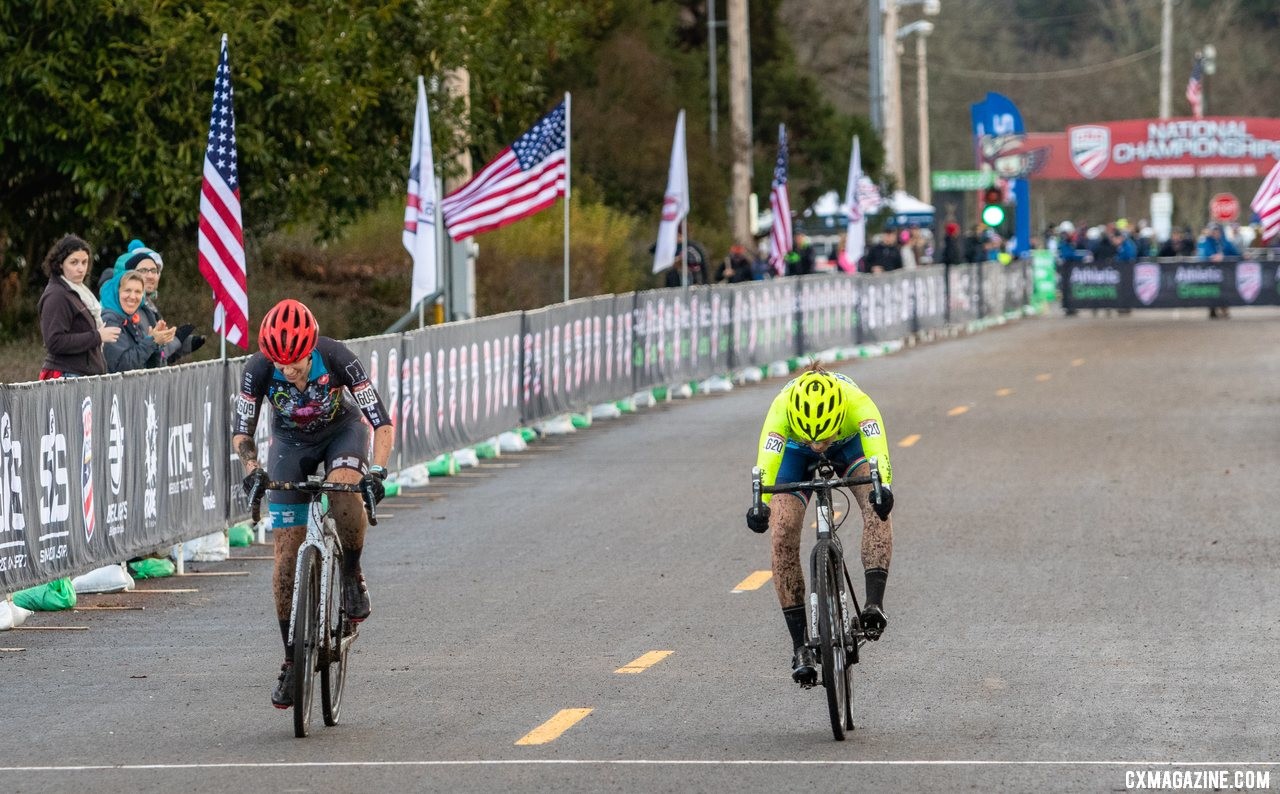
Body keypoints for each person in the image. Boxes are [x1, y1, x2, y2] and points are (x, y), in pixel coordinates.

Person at [233, 299, 394, 709]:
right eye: (280, 364)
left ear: (311, 350)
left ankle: (352, 575)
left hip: (342, 433)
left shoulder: (338, 356)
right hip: (289, 444)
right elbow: (242, 431)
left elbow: (382, 422)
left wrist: (377, 470)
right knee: (286, 554)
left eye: (296, 365)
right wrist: (251, 467)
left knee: (343, 491)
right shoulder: (257, 369)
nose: (287, 372)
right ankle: (291, 661)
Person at [745, 368, 895, 685]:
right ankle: (800, 646)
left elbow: (879, 456)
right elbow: (766, 465)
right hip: (792, 452)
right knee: (782, 534)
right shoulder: (782, 408)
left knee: (874, 503)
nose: (818, 445)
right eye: (812, 437)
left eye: (823, 436)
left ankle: (873, 605)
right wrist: (759, 504)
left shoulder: (858, 404)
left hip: (848, 445)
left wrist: (884, 490)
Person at [101, 240, 204, 363]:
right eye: (143, 271)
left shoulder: (142, 309)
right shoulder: (113, 318)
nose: (150, 276)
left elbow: (151, 360)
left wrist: (172, 342)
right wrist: (172, 340)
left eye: (154, 270)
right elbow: (123, 365)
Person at [37, 234, 117, 379]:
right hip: (67, 375)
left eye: (84, 262)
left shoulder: (78, 292)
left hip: (83, 375)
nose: (81, 268)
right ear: (60, 264)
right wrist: (97, 336)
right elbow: (54, 342)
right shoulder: (57, 295)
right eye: (74, 262)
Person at [102, 271, 165, 373]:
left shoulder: (133, 320)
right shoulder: (110, 321)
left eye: (138, 292)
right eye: (127, 290)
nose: (132, 296)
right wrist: (152, 341)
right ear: (117, 292)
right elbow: (121, 367)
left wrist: (157, 344)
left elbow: (150, 367)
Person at [1198, 224, 1238, 319]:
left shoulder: (1224, 242)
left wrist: (1224, 256)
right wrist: (1212, 256)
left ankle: (1224, 309)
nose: (1215, 233)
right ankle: (1212, 310)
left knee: (1224, 290)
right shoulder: (1206, 241)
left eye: (1217, 231)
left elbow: (1235, 252)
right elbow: (1204, 254)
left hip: (1224, 272)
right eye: (1213, 231)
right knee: (1212, 290)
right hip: (1210, 272)